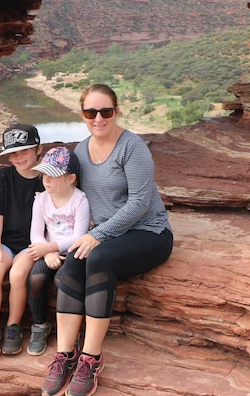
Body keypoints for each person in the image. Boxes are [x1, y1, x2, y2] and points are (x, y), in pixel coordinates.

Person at [41, 84, 173, 396]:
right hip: (108, 234)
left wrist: (97, 234)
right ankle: (65, 355)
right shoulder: (81, 151)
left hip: (148, 232)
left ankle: (91, 357)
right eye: (91, 112)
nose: (98, 118)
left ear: (116, 111)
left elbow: (140, 203)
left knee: (97, 258)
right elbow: (67, 192)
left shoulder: (132, 147)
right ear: (82, 114)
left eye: (105, 111)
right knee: (75, 257)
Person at [0, 124, 45, 357]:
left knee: (18, 275)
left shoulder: (47, 179)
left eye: (24, 151)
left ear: (39, 149)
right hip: (6, 241)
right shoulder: (4, 176)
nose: (18, 158)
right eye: (13, 153)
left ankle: (14, 326)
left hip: (32, 244)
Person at [25, 147, 90, 357]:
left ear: (71, 178)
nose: (46, 180)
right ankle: (40, 325)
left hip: (72, 252)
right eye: (44, 174)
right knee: (35, 279)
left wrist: (50, 248)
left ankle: (73, 331)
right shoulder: (41, 199)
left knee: (62, 282)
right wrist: (46, 253)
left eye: (53, 176)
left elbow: (79, 236)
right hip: (49, 252)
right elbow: (36, 234)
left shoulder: (80, 200)